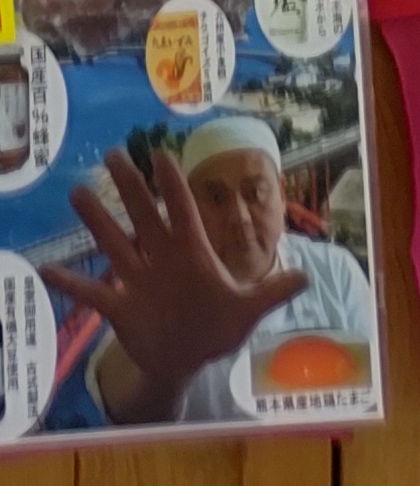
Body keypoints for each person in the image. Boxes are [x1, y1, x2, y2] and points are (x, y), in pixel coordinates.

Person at [54, 116, 376, 428]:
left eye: (254, 193)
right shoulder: (168, 290)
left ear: (281, 194)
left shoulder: (334, 269)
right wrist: (166, 371)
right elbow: (127, 405)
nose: (240, 217)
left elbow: (375, 394)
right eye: (216, 198)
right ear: (188, 209)